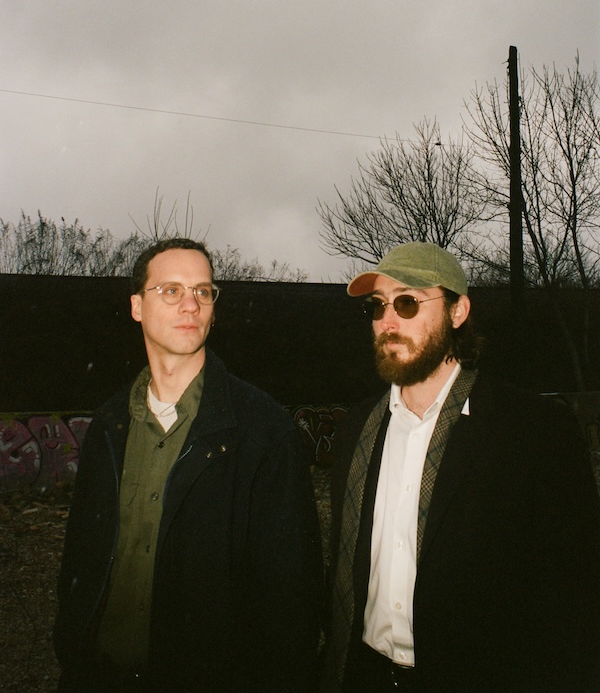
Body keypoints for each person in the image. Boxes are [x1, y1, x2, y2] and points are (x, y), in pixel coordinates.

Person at [321, 241, 600, 693]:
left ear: (457, 311)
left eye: (407, 303)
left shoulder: (533, 431)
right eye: (377, 306)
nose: (388, 322)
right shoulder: (358, 428)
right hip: (365, 676)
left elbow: (576, 597)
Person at [54, 237, 323, 693]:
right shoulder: (110, 425)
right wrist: (73, 651)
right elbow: (82, 557)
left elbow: (291, 598)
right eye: (171, 290)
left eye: (203, 291)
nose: (191, 305)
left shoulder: (262, 430)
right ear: (137, 306)